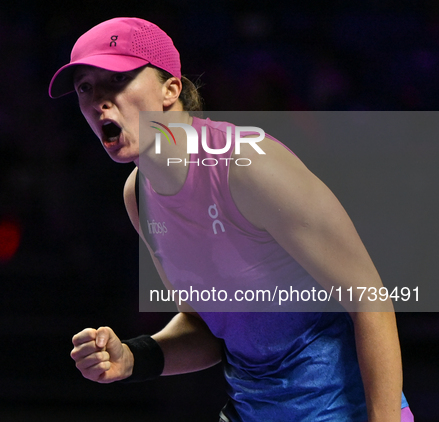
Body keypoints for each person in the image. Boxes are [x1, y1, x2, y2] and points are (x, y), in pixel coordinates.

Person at [49, 17, 413, 421]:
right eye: (85, 87)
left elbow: (370, 300)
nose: (99, 100)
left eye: (117, 80)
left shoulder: (249, 168)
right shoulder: (139, 196)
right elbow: (208, 328)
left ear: (170, 89)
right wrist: (133, 358)